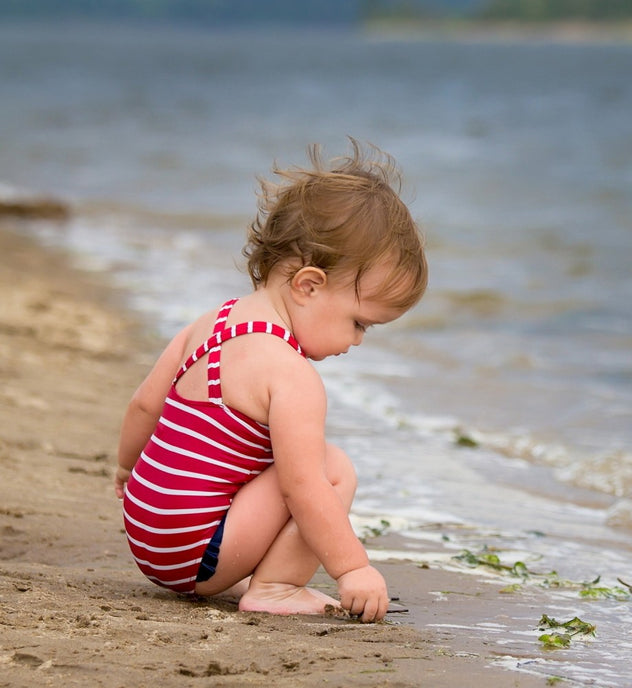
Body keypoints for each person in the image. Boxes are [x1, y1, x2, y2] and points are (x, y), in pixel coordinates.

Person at [114, 139, 427, 622]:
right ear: (308, 285)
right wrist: (353, 569)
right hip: (194, 556)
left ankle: (242, 569)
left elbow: (142, 407)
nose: (358, 341)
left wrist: (125, 471)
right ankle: (277, 586)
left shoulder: (211, 322)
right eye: (359, 323)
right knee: (331, 467)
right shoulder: (290, 374)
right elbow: (302, 488)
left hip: (143, 533)